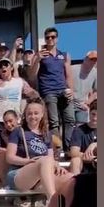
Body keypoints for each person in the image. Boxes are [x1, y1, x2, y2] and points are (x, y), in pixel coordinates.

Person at [25, 26, 75, 154]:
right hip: (48, 91)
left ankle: (68, 148)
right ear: (45, 39)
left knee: (70, 119)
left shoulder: (63, 55)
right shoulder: (39, 54)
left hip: (63, 90)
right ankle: (57, 150)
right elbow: (31, 76)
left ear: (57, 38)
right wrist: (37, 59)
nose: (50, 39)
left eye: (53, 37)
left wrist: (71, 90)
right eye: (47, 37)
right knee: (54, 122)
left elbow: (68, 74)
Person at [4, 101, 66, 197]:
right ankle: (52, 200)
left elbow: (51, 158)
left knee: (69, 177)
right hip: (18, 174)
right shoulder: (18, 131)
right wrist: (27, 161)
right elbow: (9, 157)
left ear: (42, 115)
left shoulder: (47, 135)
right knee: (44, 160)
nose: (32, 116)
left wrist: (57, 165)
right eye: (29, 113)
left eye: (36, 113)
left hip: (40, 176)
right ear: (25, 115)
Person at [0, 58, 38, 126]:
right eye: (0, 66)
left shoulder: (19, 81)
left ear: (11, 68)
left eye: (6, 65)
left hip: (15, 120)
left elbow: (33, 94)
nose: (3, 67)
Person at [68, 101, 98, 175]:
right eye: (93, 114)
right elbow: (74, 152)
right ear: (89, 113)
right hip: (83, 164)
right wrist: (91, 158)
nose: (95, 118)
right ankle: (76, 185)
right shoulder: (79, 130)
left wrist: (94, 144)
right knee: (75, 161)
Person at [70, 50, 98, 129]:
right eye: (91, 59)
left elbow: (96, 91)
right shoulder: (72, 69)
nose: (93, 62)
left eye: (95, 60)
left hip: (82, 105)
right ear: (85, 59)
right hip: (70, 102)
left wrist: (87, 103)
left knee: (81, 127)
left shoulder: (95, 73)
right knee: (69, 125)